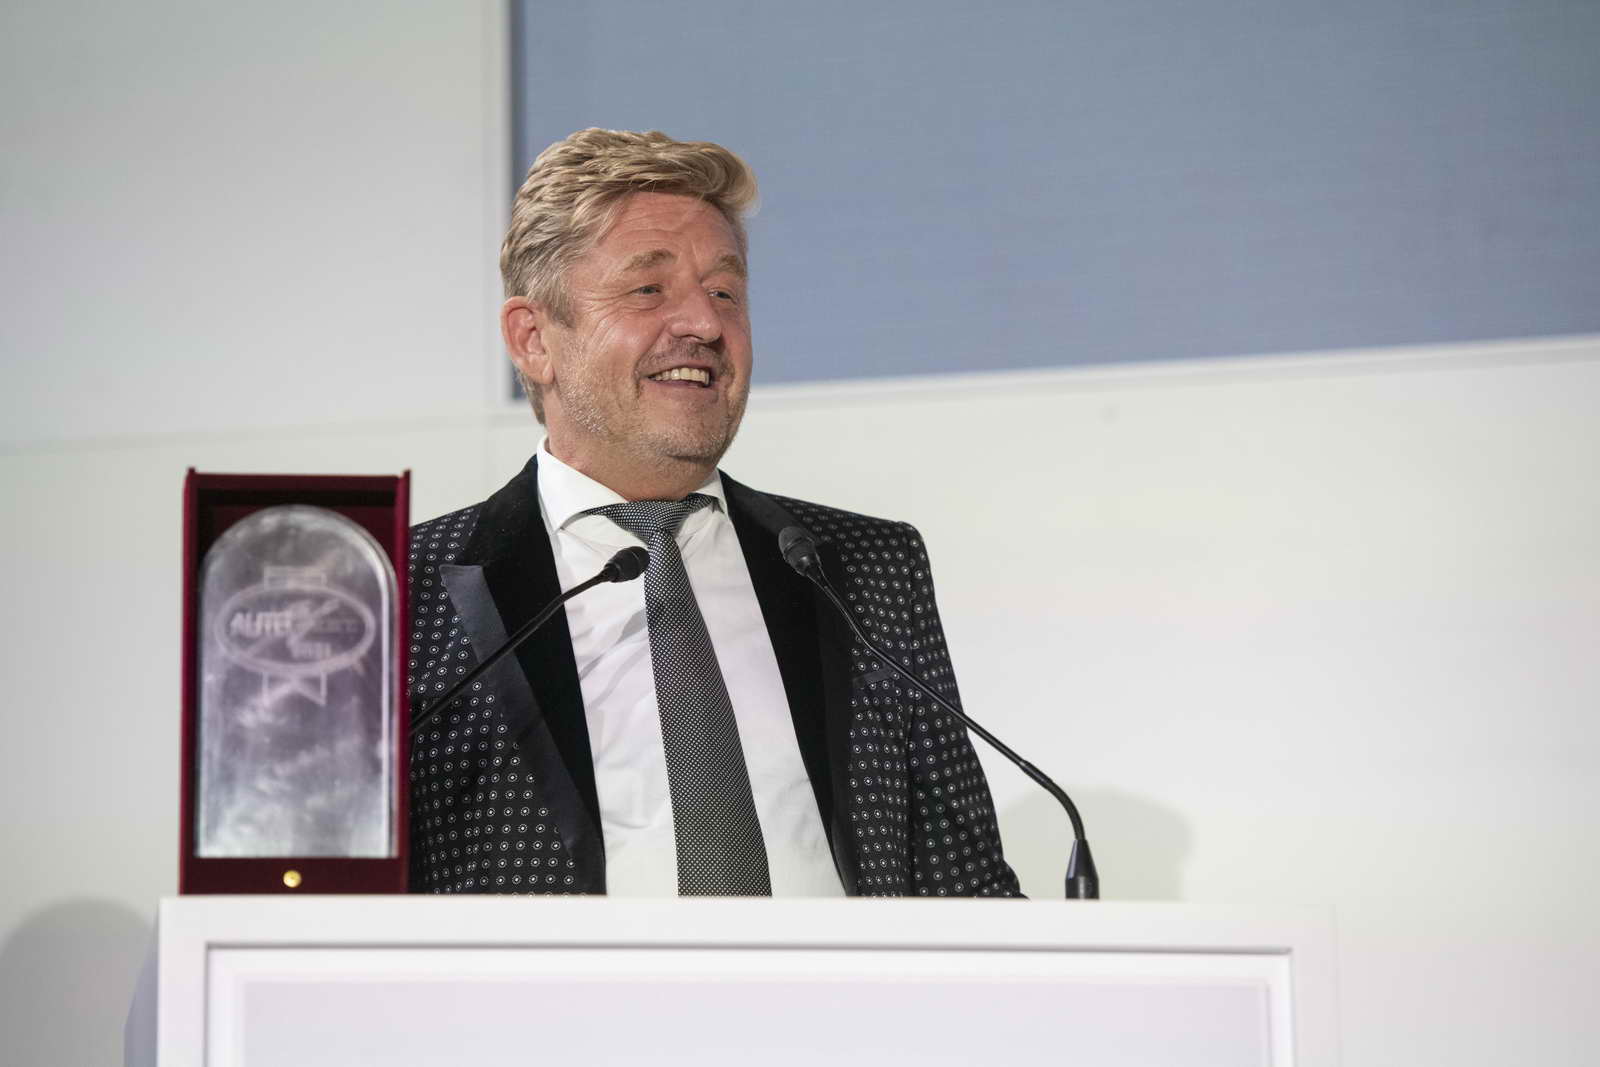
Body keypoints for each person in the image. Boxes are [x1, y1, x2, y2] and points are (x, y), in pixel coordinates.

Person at [407, 128, 1020, 898]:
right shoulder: (400, 593)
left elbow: (965, 888)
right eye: (648, 289)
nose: (704, 323)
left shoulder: (862, 570)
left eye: (725, 292)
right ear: (533, 340)